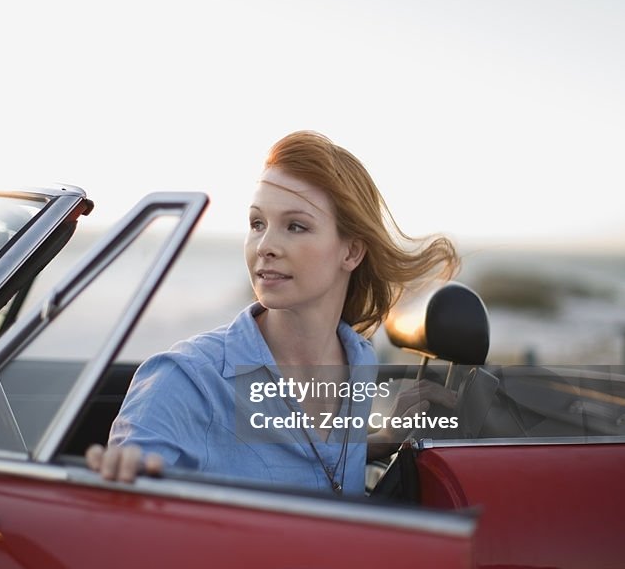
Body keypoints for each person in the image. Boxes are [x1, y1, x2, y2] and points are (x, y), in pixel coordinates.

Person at [86, 131, 459, 494]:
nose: (265, 246)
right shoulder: (186, 379)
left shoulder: (358, 359)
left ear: (351, 252)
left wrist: (383, 440)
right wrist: (123, 475)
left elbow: (314, 466)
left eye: (295, 226)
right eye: (256, 223)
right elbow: (124, 506)